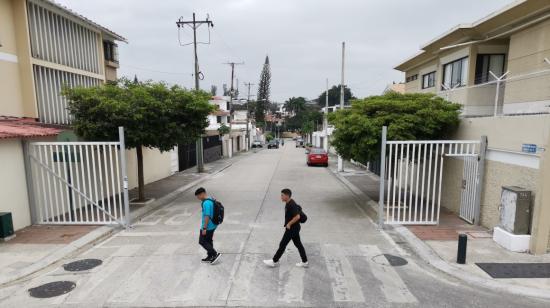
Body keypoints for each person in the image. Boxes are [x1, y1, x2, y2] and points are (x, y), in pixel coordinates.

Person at [263, 188, 308, 268]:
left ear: (287, 196)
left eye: (282, 195)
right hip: (295, 228)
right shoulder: (288, 203)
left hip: (292, 228)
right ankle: (305, 261)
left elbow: (297, 216)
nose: (281, 197)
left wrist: (289, 224)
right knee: (298, 244)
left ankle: (274, 261)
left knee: (283, 244)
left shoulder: (291, 204)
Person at [195, 187, 221, 264]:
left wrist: (204, 228)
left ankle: (214, 254)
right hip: (213, 224)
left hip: (208, 226)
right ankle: (210, 256)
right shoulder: (211, 198)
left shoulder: (206, 203)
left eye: (198, 196)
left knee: (202, 241)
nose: (198, 198)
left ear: (202, 194)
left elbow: (207, 216)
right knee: (209, 241)